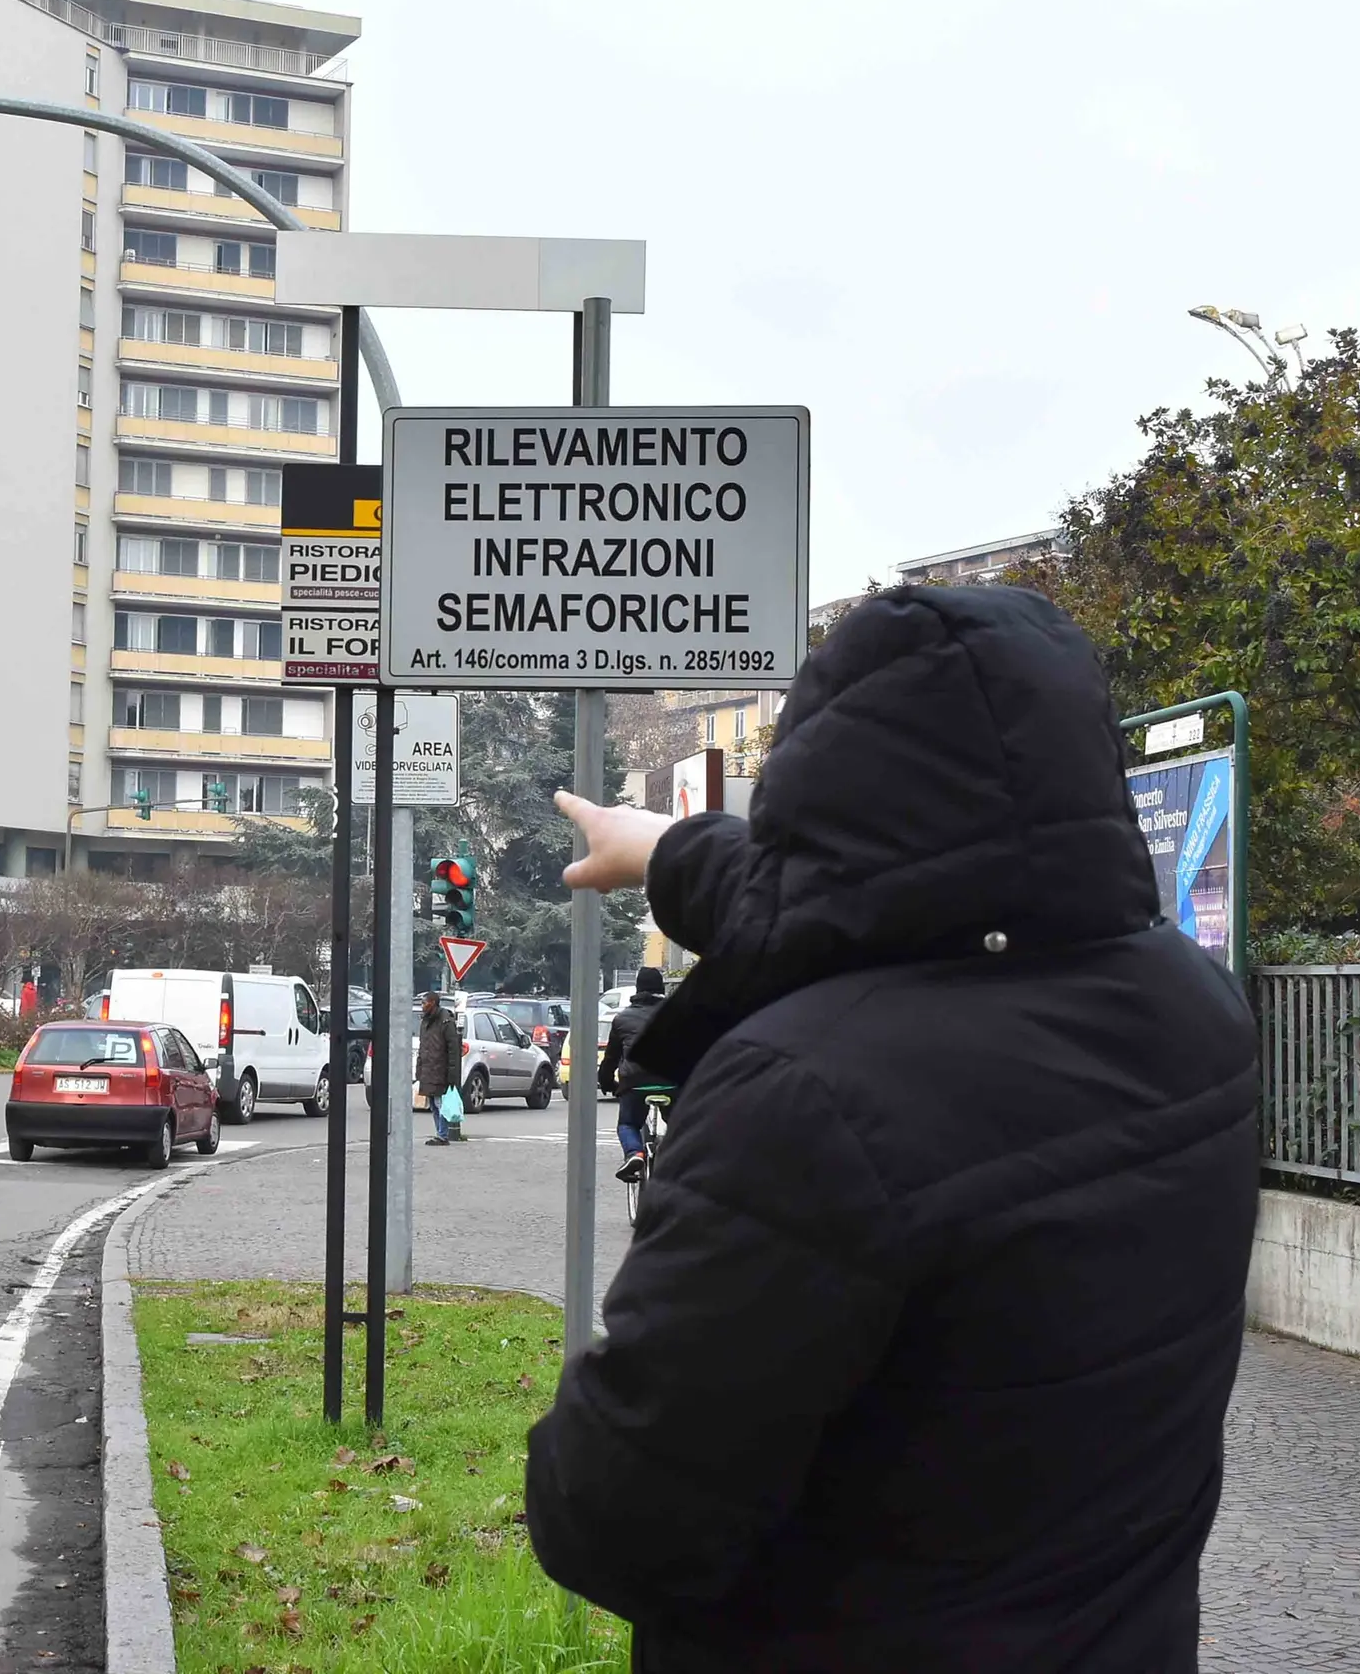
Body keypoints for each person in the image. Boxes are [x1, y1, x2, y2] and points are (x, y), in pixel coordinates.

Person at [525, 586, 1259, 1674]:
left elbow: (615, 1521)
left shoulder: (806, 1102)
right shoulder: (1196, 1010)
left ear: (823, 785)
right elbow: (884, 898)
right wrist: (672, 850)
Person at [598, 965, 668, 1182]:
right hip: (673, 1081)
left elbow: (610, 1059)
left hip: (635, 1083)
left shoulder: (622, 1019)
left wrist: (607, 1083)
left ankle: (634, 1154)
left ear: (637, 990)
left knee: (628, 1124)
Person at [414, 990, 464, 1146]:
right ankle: (440, 1133)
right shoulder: (426, 1021)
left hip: (440, 1070)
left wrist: (452, 1073)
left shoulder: (445, 1022)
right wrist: (419, 1069)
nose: (422, 1005)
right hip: (429, 1069)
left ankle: (443, 1135)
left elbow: (453, 1049)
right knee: (433, 1104)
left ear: (433, 1003)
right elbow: (423, 1047)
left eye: (424, 1002)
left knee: (440, 1103)